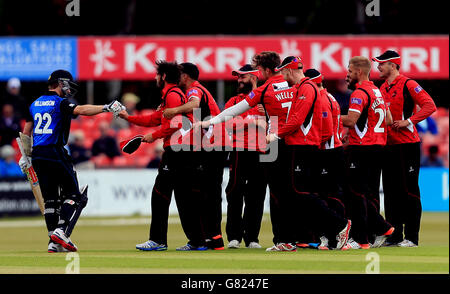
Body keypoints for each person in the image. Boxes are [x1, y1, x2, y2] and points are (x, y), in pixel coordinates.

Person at [199, 53, 352, 251]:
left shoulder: (284, 88)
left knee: (294, 192)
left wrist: (276, 135)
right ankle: (287, 239)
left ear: (264, 70)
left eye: (260, 70)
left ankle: (336, 225)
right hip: (291, 143)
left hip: (289, 144)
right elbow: (323, 117)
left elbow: (241, 108)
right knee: (282, 193)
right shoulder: (298, 87)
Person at [18, 69, 125, 253]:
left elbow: (26, 132)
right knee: (74, 195)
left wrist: (25, 155)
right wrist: (106, 107)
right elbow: (81, 110)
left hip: (38, 155)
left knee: (50, 201)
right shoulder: (60, 102)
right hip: (55, 152)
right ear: (61, 83)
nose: (70, 88)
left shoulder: (34, 103)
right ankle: (61, 231)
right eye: (68, 84)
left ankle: (53, 241)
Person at [119, 60, 208, 251]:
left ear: (164, 76)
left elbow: (175, 123)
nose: (154, 78)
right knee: (184, 197)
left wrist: (154, 136)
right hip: (183, 150)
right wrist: (129, 117)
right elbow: (154, 118)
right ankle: (197, 241)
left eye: (157, 74)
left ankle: (158, 240)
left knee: (160, 194)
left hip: (178, 150)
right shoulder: (171, 94)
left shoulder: (172, 95)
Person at [268, 56, 353, 251]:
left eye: (282, 72)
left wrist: (276, 135)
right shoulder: (304, 89)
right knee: (292, 194)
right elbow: (323, 123)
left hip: (303, 147)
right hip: (304, 146)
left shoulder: (307, 88)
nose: (282, 76)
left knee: (299, 193)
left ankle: (338, 226)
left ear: (289, 70)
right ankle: (296, 238)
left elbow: (298, 119)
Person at [162, 62, 229, 250]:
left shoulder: (194, 90)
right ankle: (213, 239)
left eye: (179, 74)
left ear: (185, 76)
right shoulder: (201, 89)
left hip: (212, 145)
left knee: (201, 192)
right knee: (210, 192)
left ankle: (207, 239)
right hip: (216, 144)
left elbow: (194, 104)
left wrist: (173, 111)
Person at [374, 50, 437, 247]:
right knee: (391, 192)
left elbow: (429, 105)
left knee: (409, 191)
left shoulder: (408, 84)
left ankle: (412, 237)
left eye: (381, 64)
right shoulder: (382, 87)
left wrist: (408, 121)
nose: (378, 67)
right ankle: (395, 235)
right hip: (389, 146)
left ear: (393, 65)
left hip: (407, 145)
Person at [340, 56, 395, 250]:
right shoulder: (377, 91)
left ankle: (362, 239)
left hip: (362, 149)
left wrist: (330, 115)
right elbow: (388, 120)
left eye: (349, 71)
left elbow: (351, 120)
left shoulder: (359, 93)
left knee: (355, 194)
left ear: (359, 72)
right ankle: (379, 230)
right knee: (368, 194)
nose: (348, 74)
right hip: (378, 147)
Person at [224, 64, 267, 249]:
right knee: (234, 193)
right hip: (239, 151)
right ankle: (234, 237)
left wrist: (248, 121)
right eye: (238, 77)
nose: (239, 80)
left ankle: (252, 238)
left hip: (262, 151)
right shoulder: (234, 102)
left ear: (254, 77)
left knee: (256, 196)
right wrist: (254, 120)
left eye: (243, 77)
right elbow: (226, 123)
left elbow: (273, 122)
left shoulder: (266, 99)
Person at [303, 68, 347, 249]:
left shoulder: (320, 99)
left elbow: (327, 130)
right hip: (334, 150)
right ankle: (333, 237)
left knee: (324, 196)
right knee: (331, 195)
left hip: (326, 152)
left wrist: (313, 145)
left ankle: (333, 235)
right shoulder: (330, 97)